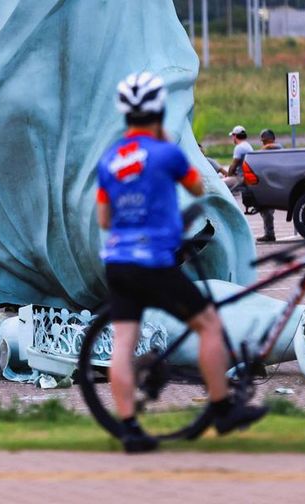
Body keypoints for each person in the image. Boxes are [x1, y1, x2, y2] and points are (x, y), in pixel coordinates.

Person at [96, 72, 267, 453]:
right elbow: (195, 186)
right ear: (158, 111)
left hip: (119, 263)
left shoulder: (110, 160)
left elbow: (104, 220)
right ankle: (222, 409)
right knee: (207, 324)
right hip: (155, 260)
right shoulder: (166, 153)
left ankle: (129, 429)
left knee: (123, 343)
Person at [255, 129, 283, 242]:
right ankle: (269, 233)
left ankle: (270, 234)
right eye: (262, 141)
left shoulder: (277, 147)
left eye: (265, 140)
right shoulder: (267, 150)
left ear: (271, 139)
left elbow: (272, 146)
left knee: (267, 210)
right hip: (269, 183)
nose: (263, 143)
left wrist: (261, 150)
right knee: (265, 210)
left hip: (277, 184)